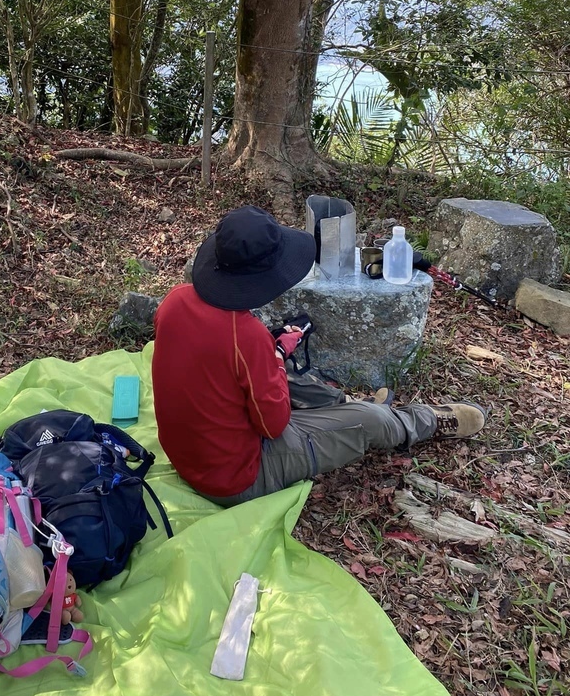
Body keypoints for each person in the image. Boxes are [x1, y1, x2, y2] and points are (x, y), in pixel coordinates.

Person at [151, 205, 487, 506]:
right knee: (368, 422)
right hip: (238, 478)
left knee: (278, 367)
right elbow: (272, 425)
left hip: (189, 455)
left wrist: (274, 352)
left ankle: (342, 407)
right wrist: (274, 358)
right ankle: (418, 421)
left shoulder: (175, 300)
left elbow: (216, 358)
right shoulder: (246, 337)